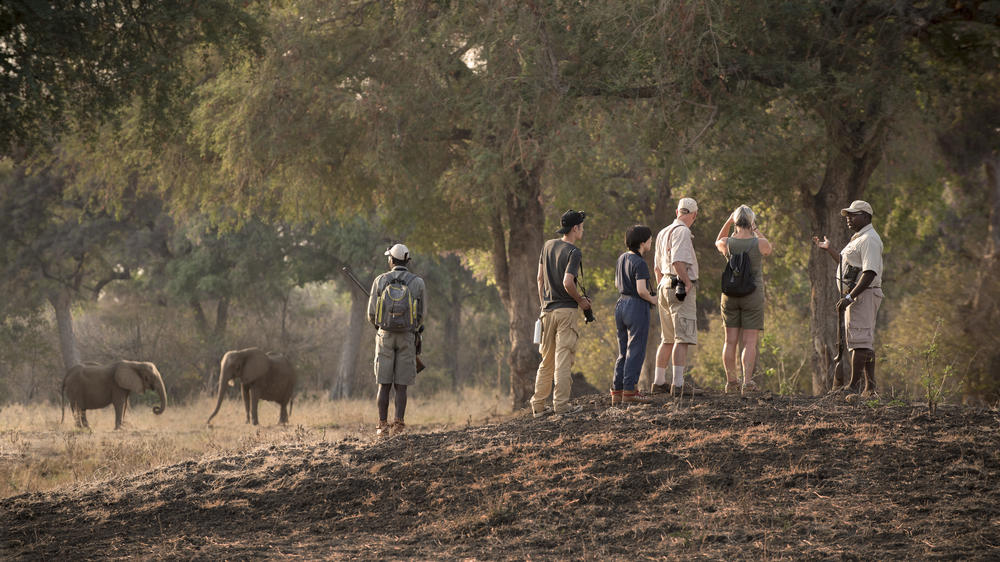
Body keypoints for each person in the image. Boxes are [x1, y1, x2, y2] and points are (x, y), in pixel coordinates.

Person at [812, 200, 884, 399]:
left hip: (863, 294)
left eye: (854, 215)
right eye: (848, 215)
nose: (849, 219)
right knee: (863, 341)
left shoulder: (869, 239)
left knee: (859, 342)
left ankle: (853, 386)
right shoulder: (859, 238)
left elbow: (869, 273)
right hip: (858, 295)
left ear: (867, 217)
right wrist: (829, 249)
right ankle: (871, 388)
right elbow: (848, 266)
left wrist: (850, 296)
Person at [531, 209, 592, 418]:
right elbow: (568, 282)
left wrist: (543, 304)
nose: (583, 230)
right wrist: (581, 301)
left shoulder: (547, 246)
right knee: (563, 359)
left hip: (547, 311)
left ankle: (538, 406)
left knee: (546, 360)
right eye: (582, 226)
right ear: (575, 228)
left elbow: (539, 278)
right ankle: (562, 406)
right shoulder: (573, 252)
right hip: (566, 311)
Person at [714, 205, 773, 394]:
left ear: (736, 221)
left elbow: (717, 241)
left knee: (729, 341)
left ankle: (731, 382)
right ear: (751, 221)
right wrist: (755, 228)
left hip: (729, 295)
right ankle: (747, 383)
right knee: (749, 341)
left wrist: (729, 221)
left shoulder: (727, 243)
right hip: (752, 295)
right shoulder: (758, 244)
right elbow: (768, 247)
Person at [368, 243, 426, 436]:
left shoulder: (380, 280)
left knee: (383, 384)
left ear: (391, 260)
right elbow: (422, 314)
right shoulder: (418, 282)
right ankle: (399, 425)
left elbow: (371, 314)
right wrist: (410, 328)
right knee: (401, 385)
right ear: (407, 261)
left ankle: (382, 426)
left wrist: (383, 327)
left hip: (384, 336)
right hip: (408, 337)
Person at [652, 198, 703, 397]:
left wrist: (661, 285)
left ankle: (658, 382)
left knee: (667, 338)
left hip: (664, 284)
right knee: (682, 338)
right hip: (678, 285)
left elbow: (657, 267)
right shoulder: (682, 232)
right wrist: (687, 282)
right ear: (694, 214)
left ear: (677, 211)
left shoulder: (663, 232)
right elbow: (677, 261)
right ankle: (678, 384)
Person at [610, 225, 659, 406]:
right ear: (642, 243)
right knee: (636, 350)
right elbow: (641, 290)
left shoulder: (622, 258)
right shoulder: (639, 263)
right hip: (636, 306)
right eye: (649, 239)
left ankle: (617, 390)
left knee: (623, 351)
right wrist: (653, 300)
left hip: (621, 304)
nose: (651, 242)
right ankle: (630, 391)